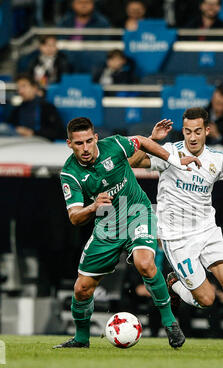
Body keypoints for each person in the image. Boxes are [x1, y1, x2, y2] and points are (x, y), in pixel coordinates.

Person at [129, 107, 223, 352]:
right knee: (207, 300)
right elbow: (131, 163)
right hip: (176, 237)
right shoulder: (169, 151)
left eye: (197, 131)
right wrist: (151, 140)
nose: (192, 137)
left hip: (207, 231)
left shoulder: (218, 159)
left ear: (207, 130)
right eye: (187, 131)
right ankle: (175, 284)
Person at [53, 117, 201, 349]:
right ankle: (81, 339)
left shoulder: (114, 145)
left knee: (144, 262)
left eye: (88, 141)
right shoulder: (69, 174)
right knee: (81, 289)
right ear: (69, 144)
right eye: (79, 143)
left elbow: (141, 142)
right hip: (107, 224)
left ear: (96, 139)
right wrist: (92, 207)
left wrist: (174, 160)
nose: (85, 148)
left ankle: (170, 322)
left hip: (138, 212)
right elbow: (74, 217)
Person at [7, 74, 65, 141]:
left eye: (24, 86)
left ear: (34, 88)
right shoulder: (17, 110)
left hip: (42, 145)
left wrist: (32, 133)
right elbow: (10, 128)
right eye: (18, 88)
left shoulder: (47, 108)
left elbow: (58, 132)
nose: (20, 91)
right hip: (19, 143)